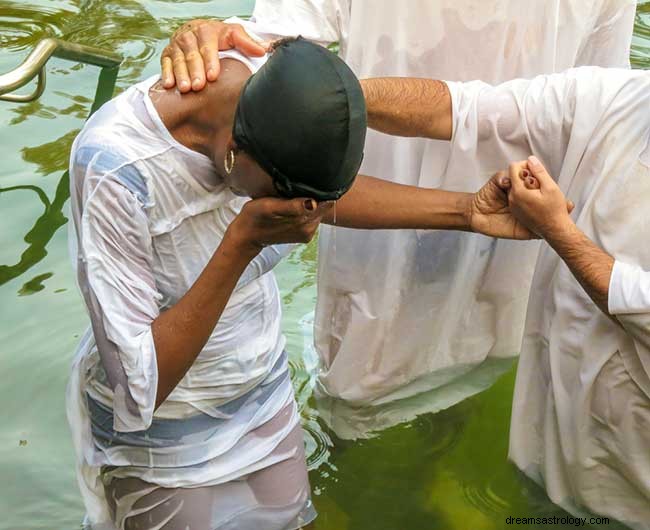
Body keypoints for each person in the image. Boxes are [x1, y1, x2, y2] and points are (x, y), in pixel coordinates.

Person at [66, 37, 536, 530]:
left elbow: (320, 191)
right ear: (234, 152)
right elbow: (139, 389)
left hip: (261, 394)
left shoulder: (263, 78)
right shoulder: (115, 168)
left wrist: (467, 211)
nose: (307, 220)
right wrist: (239, 245)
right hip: (165, 444)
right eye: (289, 206)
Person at [160, 2, 637, 427]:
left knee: (486, 362)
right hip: (373, 202)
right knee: (358, 382)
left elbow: (597, 108)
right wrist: (212, 44)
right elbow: (269, 48)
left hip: (516, 216)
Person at [357, 67, 650, 529]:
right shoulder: (623, 98)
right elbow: (466, 109)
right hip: (555, 451)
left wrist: (558, 231)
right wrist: (337, 91)